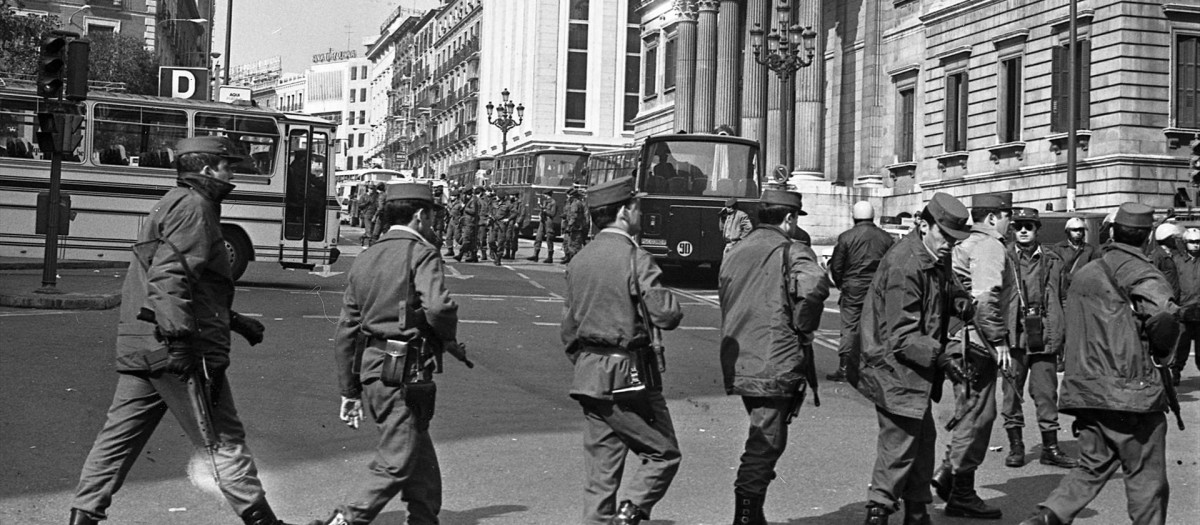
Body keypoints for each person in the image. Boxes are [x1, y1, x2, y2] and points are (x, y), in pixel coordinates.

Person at [69, 136, 294, 525]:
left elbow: (187, 281)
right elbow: (169, 278)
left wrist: (235, 321)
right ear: (207, 170)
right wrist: (180, 342)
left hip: (143, 344)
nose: (233, 175)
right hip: (179, 349)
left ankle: (83, 515)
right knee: (222, 438)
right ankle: (264, 523)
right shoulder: (195, 208)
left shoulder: (172, 201)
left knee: (117, 441)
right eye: (229, 167)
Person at [1018, 203, 1181, 525]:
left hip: (1087, 390)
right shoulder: (1143, 272)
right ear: (1147, 237)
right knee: (1147, 480)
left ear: (1112, 232)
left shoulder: (1087, 272)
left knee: (1092, 466)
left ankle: (1046, 518)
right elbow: (1164, 315)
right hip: (1131, 394)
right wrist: (1162, 355)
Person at [315, 183, 464, 525]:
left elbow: (347, 330)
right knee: (397, 457)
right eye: (430, 216)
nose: (432, 224)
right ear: (419, 215)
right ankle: (345, 520)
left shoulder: (366, 256)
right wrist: (448, 339)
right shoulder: (420, 252)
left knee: (416, 446)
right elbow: (439, 308)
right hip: (406, 368)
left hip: (373, 368)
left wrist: (348, 390)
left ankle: (424, 518)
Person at [562, 176, 683, 525]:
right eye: (636, 206)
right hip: (628, 376)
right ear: (624, 211)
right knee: (662, 454)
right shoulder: (635, 258)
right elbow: (666, 314)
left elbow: (568, 329)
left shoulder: (580, 259)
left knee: (600, 473)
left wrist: (588, 359)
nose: (639, 212)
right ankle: (629, 513)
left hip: (589, 373)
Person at [856, 192, 972, 525]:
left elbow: (946, 286)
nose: (951, 245)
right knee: (899, 446)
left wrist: (959, 300)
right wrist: (944, 360)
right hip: (895, 368)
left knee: (922, 441)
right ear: (923, 225)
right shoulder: (906, 264)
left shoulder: (935, 253)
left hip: (913, 369)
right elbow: (903, 337)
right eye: (945, 236)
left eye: (955, 239)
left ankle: (918, 512)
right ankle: (879, 511)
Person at [718, 189, 830, 524]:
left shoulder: (737, 249)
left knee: (763, 432)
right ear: (790, 219)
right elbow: (814, 286)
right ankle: (747, 515)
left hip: (739, 355)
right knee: (766, 440)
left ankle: (752, 511)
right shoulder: (791, 249)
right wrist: (804, 326)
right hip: (774, 358)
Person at [932, 192, 1016, 520]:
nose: (1010, 223)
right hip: (976, 343)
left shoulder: (964, 243)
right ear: (994, 218)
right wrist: (1000, 342)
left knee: (972, 412)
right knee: (978, 417)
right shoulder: (989, 245)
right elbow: (985, 299)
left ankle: (947, 474)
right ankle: (961, 492)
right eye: (1007, 215)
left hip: (958, 339)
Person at [1000, 208, 1077, 470]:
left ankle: (1051, 448)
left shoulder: (1054, 260)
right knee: (1012, 393)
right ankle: (1016, 445)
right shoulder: (1004, 258)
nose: (1023, 230)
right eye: (1018, 225)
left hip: (1045, 332)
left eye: (1029, 226)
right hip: (1013, 334)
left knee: (1045, 393)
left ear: (1037, 229)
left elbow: (1064, 297)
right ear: (1012, 229)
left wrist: (1065, 333)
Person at [827, 201, 894, 382]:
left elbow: (837, 266)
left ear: (854, 216)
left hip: (853, 288)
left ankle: (845, 368)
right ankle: (874, 368)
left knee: (849, 327)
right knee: (875, 328)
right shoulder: (886, 238)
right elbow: (891, 266)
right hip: (876, 289)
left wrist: (842, 283)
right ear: (873, 216)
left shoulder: (846, 237)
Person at [1172, 227, 1200, 385]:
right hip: (1183, 311)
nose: (1196, 245)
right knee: (1181, 347)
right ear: (1185, 243)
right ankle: (1176, 373)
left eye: (1198, 242)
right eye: (1192, 242)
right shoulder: (1177, 260)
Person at [529, 189, 559, 263]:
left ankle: (550, 257)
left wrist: (546, 211)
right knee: (538, 237)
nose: (544, 196)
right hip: (542, 220)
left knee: (549, 238)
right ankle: (535, 255)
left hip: (549, 221)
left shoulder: (553, 202)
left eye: (545, 194)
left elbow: (552, 213)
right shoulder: (545, 201)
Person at [455, 187, 481, 263]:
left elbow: (473, 211)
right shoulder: (470, 200)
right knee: (472, 241)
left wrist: (465, 208)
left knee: (466, 239)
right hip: (468, 222)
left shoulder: (473, 200)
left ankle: (461, 254)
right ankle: (474, 256)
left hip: (470, 223)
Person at [563, 188, 589, 264]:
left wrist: (569, 226)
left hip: (576, 228)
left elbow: (574, 216)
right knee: (572, 245)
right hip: (576, 227)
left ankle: (576, 263)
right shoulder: (575, 203)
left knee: (574, 246)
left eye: (569, 196)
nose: (568, 197)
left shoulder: (575, 203)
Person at [488, 190, 512, 266]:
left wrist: (508, 219)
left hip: (502, 224)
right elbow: (489, 210)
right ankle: (494, 252)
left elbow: (515, 213)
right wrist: (489, 216)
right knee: (491, 241)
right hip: (493, 224)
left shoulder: (508, 204)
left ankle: (498, 258)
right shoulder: (493, 202)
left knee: (501, 242)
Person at [444, 190, 463, 258]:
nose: (452, 197)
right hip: (450, 220)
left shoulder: (460, 204)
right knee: (448, 236)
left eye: (453, 196)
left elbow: (463, 213)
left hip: (457, 221)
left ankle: (466, 248)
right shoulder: (450, 202)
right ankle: (450, 250)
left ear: (456, 197)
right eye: (451, 196)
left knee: (458, 237)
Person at [505, 192, 524, 259]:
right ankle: (507, 253)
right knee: (507, 237)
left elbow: (522, 214)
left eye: (511, 195)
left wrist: (518, 222)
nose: (510, 197)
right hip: (509, 222)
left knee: (514, 238)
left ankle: (513, 253)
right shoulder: (509, 202)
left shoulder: (520, 204)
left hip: (515, 222)